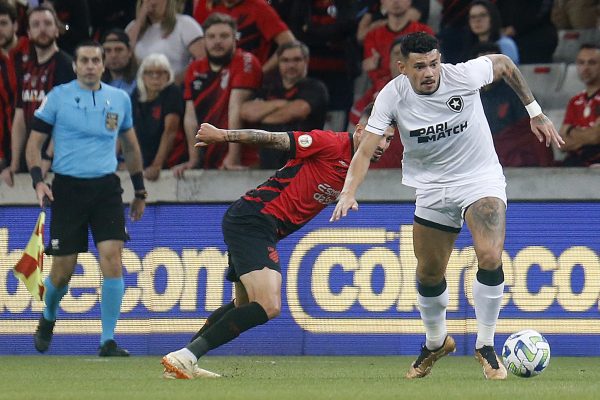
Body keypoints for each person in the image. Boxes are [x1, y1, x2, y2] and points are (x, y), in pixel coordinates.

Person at [330, 32, 563, 380]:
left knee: (489, 255)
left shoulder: (464, 75)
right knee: (428, 273)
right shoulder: (392, 95)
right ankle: (436, 342)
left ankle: (485, 346)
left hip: (478, 177)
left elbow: (505, 64)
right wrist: (349, 191)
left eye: (434, 63)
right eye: (420, 66)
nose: (429, 72)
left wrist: (535, 112)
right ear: (403, 67)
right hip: (431, 186)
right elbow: (365, 149)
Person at [160, 104, 395, 379]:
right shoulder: (329, 143)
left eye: (389, 138)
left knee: (243, 305)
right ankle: (186, 356)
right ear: (359, 130)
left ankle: (186, 359)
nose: (383, 144)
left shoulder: (357, 166)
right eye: (379, 135)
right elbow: (274, 139)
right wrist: (224, 135)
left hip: (258, 224)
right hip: (255, 218)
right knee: (269, 305)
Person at [25, 40, 147, 356]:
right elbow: (33, 144)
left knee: (112, 259)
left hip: (106, 188)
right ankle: (49, 316)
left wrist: (140, 191)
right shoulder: (58, 98)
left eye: (96, 60)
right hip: (68, 189)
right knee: (62, 271)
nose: (90, 65)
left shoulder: (119, 99)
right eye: (84, 60)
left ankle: (107, 340)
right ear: (75, 65)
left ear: (103, 65)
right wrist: (39, 182)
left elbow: (131, 147)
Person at [173, 12, 262, 174]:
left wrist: (233, 157)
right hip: (209, 156)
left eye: (224, 36)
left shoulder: (246, 61)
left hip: (244, 159)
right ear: (204, 40)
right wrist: (194, 159)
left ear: (235, 37)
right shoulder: (195, 68)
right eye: (211, 36)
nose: (217, 41)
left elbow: (235, 110)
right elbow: (190, 117)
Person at [1, 4, 75, 187]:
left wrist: (48, 158)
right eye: (36, 25)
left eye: (48, 23)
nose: (42, 29)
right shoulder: (27, 67)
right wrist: (15, 163)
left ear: (57, 30)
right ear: (29, 32)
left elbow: (67, 119)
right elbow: (19, 118)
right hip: (32, 161)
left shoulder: (66, 66)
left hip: (59, 165)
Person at [240, 40, 329, 169]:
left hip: (303, 167)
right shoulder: (268, 87)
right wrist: (281, 104)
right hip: (268, 165)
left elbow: (296, 111)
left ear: (306, 61)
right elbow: (245, 112)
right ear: (279, 63)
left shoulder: (315, 87)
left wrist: (262, 115)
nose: (291, 65)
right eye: (285, 60)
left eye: (296, 60)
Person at [192, 0, 295, 73]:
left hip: (249, 82)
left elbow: (289, 43)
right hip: (217, 81)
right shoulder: (209, 7)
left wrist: (261, 73)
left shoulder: (258, 7)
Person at [132, 53, 184, 180]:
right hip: (145, 157)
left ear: (168, 75)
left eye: (160, 73)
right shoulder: (136, 95)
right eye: (150, 73)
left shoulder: (172, 92)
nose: (155, 77)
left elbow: (170, 131)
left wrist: (157, 165)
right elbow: (130, 131)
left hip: (172, 159)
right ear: (142, 76)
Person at [126, 0, 205, 82]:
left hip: (177, 86)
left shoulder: (185, 23)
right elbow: (124, 52)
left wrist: (176, 81)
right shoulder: (133, 27)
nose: (152, 2)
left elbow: (202, 58)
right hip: (141, 87)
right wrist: (140, 20)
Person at [362, 0, 433, 85]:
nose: (396, 1)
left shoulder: (424, 32)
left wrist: (381, 62)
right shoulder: (372, 35)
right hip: (382, 89)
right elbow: (372, 71)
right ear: (382, 2)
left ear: (410, 1)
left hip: (417, 87)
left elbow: (431, 66)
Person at [559, 44, 600, 167]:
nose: (585, 68)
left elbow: (596, 136)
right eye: (581, 63)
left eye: (592, 63)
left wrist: (571, 131)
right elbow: (561, 142)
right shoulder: (574, 101)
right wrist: (589, 136)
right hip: (576, 163)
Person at [0, 1, 28, 176]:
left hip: (43, 144)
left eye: (3, 23)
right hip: (10, 147)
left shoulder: (33, 51)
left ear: (15, 25)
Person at [101, 28, 138, 96]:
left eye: (119, 50)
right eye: (108, 50)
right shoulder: (95, 85)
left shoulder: (140, 83)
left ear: (129, 52)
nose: (113, 55)